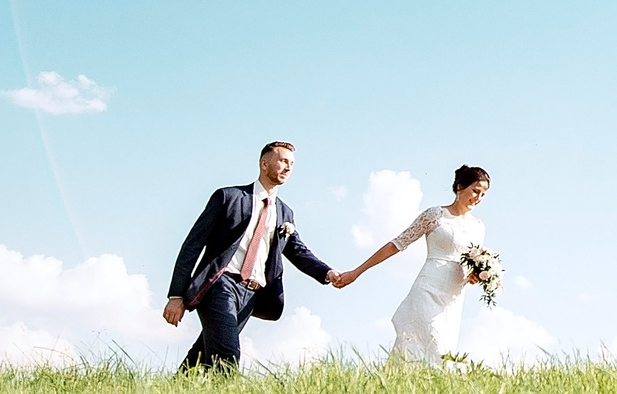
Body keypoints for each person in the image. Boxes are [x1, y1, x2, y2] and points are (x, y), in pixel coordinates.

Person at [163, 141, 350, 371]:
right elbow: (192, 245)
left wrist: (327, 272)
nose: (288, 167)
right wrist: (176, 295)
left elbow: (298, 250)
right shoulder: (228, 197)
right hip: (220, 284)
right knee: (227, 358)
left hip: (252, 295)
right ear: (264, 163)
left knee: (202, 358)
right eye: (282, 161)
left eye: (291, 163)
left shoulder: (284, 212)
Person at [339, 165, 491, 363]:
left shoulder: (479, 227)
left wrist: (476, 276)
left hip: (453, 298)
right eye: (475, 191)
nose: (478, 198)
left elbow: (472, 261)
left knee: (444, 353)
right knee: (428, 347)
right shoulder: (435, 215)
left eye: (483, 194)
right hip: (428, 290)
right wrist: (356, 272)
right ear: (460, 187)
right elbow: (397, 243)